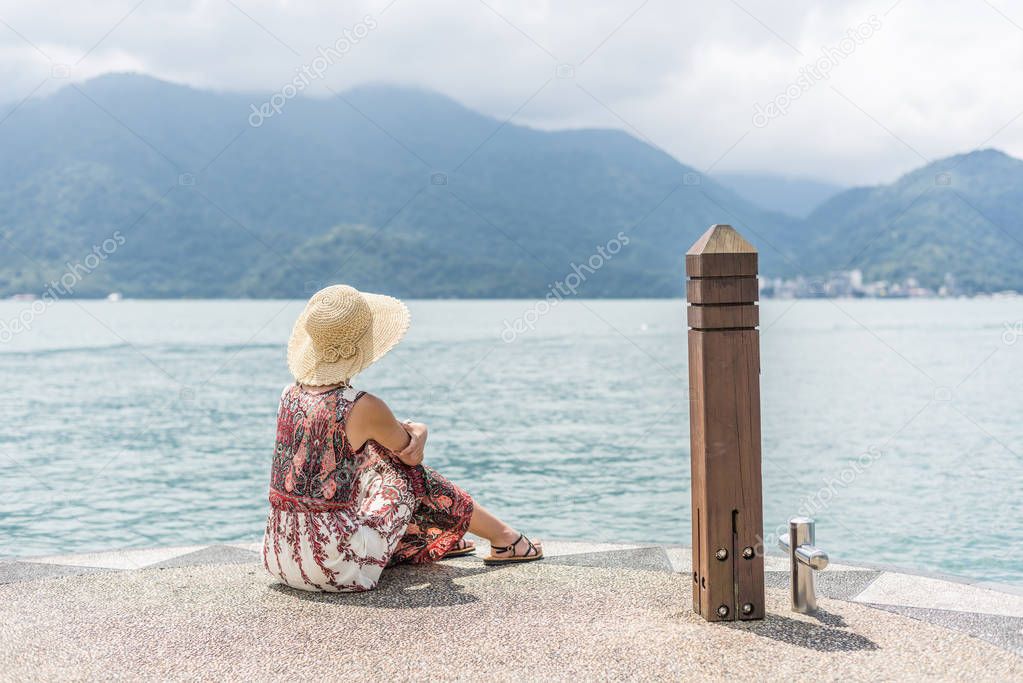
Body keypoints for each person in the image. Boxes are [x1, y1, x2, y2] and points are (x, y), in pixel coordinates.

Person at [262, 284, 542, 592]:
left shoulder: (288, 394)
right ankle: (504, 538)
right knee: (402, 472)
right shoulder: (362, 405)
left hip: (280, 557)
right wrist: (420, 429)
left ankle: (434, 536)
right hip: (336, 568)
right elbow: (410, 454)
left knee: (367, 465)